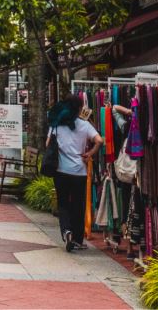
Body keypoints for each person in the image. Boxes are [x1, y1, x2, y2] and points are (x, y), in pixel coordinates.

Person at [47, 94, 103, 252]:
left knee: (63, 203)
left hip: (61, 171)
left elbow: (47, 144)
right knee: (78, 205)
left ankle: (67, 232)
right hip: (79, 171)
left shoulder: (57, 124)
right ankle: (78, 240)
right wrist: (90, 153)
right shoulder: (85, 125)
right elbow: (99, 140)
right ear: (79, 108)